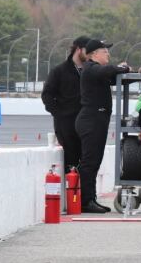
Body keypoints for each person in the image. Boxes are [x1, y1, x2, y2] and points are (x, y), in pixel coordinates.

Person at [75, 39, 134, 213]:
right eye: (104, 51)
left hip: (96, 121)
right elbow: (110, 70)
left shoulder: (97, 73)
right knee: (89, 162)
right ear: (93, 54)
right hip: (91, 121)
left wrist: (135, 74)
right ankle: (86, 201)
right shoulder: (91, 69)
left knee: (94, 162)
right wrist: (123, 68)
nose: (108, 53)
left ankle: (90, 198)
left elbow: (116, 79)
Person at [42, 37, 88, 171]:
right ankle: (72, 191)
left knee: (87, 164)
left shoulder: (91, 70)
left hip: (87, 124)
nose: (90, 54)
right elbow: (47, 95)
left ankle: (86, 192)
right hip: (67, 126)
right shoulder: (59, 71)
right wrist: (60, 115)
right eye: (87, 50)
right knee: (71, 163)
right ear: (78, 49)